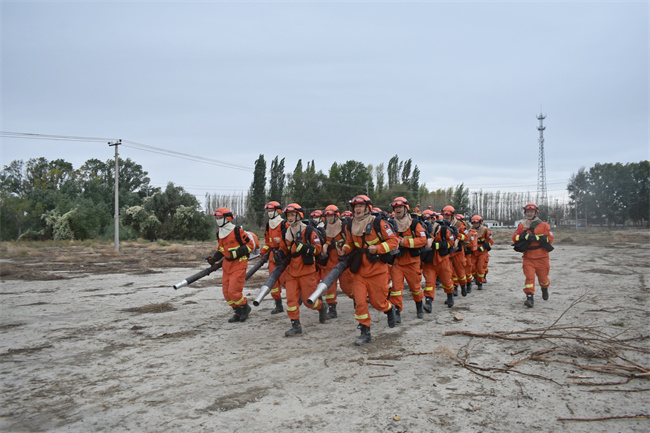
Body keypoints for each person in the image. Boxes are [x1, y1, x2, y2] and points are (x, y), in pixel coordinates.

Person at [337, 195, 399, 346]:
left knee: (378, 303)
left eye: (360, 206)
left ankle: (390, 309)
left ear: (368, 208)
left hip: (377, 271)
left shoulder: (378, 223)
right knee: (360, 302)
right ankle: (365, 332)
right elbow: (350, 243)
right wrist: (344, 250)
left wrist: (377, 248)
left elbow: (393, 242)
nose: (357, 209)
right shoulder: (350, 225)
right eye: (355, 206)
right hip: (359, 272)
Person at [278, 203, 328, 336]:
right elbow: (283, 248)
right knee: (291, 300)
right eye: (288, 215)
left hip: (307, 272)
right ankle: (295, 326)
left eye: (292, 215)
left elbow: (318, 249)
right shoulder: (286, 233)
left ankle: (321, 307)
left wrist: (305, 248)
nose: (290, 218)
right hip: (292, 272)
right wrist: (280, 254)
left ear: (299, 216)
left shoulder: (309, 231)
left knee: (308, 301)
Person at [207, 207, 255, 323]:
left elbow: (250, 245)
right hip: (227, 266)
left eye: (220, 217)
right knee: (226, 293)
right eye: (216, 217)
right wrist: (214, 259)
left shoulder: (237, 231)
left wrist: (236, 253)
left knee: (234, 291)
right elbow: (221, 249)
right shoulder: (220, 233)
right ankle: (237, 312)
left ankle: (245, 308)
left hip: (239, 265)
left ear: (227, 218)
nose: (218, 220)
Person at [388, 197, 427, 321]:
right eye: (396, 207)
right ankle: (397, 312)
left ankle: (419, 306)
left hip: (412, 262)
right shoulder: (389, 224)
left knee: (415, 288)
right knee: (396, 289)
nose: (398, 209)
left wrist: (404, 242)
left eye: (400, 207)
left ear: (406, 208)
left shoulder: (414, 223)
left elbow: (423, 240)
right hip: (397, 262)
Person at [512, 202, 554, 308]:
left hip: (542, 257)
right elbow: (515, 238)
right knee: (529, 278)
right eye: (528, 211)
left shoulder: (544, 225)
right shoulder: (522, 225)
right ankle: (529, 298)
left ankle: (544, 289)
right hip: (528, 257)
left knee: (543, 280)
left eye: (532, 211)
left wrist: (538, 238)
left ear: (536, 212)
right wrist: (524, 237)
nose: (529, 213)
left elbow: (550, 239)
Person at [320, 205, 355, 318]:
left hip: (343, 262)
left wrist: (343, 248)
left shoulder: (344, 226)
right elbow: (327, 240)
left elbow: (350, 241)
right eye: (327, 216)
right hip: (330, 262)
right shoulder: (325, 227)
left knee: (347, 287)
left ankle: (357, 299)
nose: (329, 218)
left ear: (336, 216)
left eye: (331, 216)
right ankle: (332, 309)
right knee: (330, 286)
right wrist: (325, 245)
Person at [422, 210, 456, 310]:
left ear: (434, 219)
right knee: (429, 283)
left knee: (447, 280)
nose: (427, 221)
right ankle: (428, 302)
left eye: (429, 218)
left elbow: (451, 242)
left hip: (442, 260)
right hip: (429, 261)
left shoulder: (443, 229)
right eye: (425, 219)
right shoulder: (421, 230)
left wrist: (436, 245)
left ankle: (450, 296)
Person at [260, 201, 287, 314]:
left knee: (285, 280)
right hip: (272, 256)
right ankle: (278, 305)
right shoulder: (268, 225)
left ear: (278, 211)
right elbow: (268, 242)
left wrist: (281, 241)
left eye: (271, 210)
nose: (270, 213)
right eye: (269, 211)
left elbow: (291, 240)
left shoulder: (284, 224)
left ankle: (297, 298)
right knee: (273, 283)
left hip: (283, 255)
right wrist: (263, 250)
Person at [442, 206, 469, 297]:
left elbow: (467, 237)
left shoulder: (459, 224)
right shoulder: (441, 224)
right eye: (445, 215)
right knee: (450, 272)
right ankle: (454, 288)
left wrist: (458, 237)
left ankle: (463, 285)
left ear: (452, 215)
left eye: (448, 215)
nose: (446, 217)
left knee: (460, 272)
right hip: (447, 252)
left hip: (458, 252)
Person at [469, 215, 493, 290]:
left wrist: (484, 247)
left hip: (482, 252)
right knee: (472, 268)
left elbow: (491, 241)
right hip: (473, 252)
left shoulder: (485, 230)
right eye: (473, 222)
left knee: (480, 267)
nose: (475, 224)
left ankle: (480, 282)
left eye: (476, 222)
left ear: (480, 222)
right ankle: (476, 277)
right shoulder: (469, 231)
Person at [456, 214, 474, 293]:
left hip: (467, 251)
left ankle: (469, 283)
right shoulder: (453, 226)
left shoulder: (467, 229)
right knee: (455, 271)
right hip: (458, 251)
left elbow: (467, 239)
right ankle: (455, 286)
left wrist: (459, 236)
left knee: (467, 269)